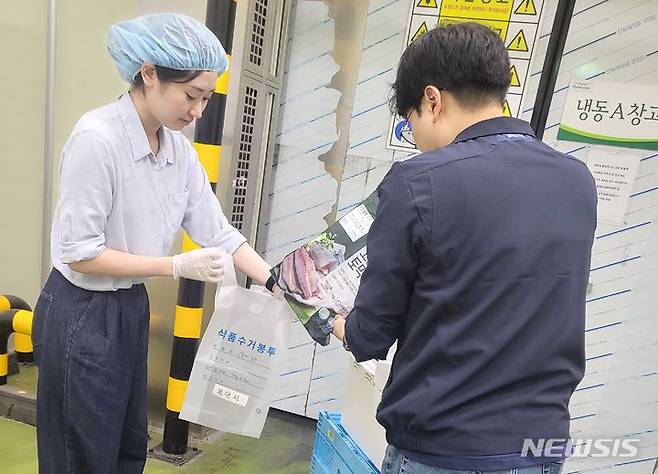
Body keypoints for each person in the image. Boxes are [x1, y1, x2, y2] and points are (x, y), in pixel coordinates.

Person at [332, 22, 597, 474]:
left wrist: (333, 320)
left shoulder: (418, 181)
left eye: (410, 119)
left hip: (443, 449)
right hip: (539, 446)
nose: (415, 137)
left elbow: (371, 335)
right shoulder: (577, 180)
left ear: (433, 100)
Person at [31, 13, 277, 473]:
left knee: (127, 446)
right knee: (80, 454)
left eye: (206, 98)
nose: (198, 111)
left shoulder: (178, 150)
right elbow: (81, 253)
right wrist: (176, 267)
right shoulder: (98, 140)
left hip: (129, 309)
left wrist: (280, 285)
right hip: (81, 311)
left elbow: (218, 230)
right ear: (148, 74)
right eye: (191, 95)